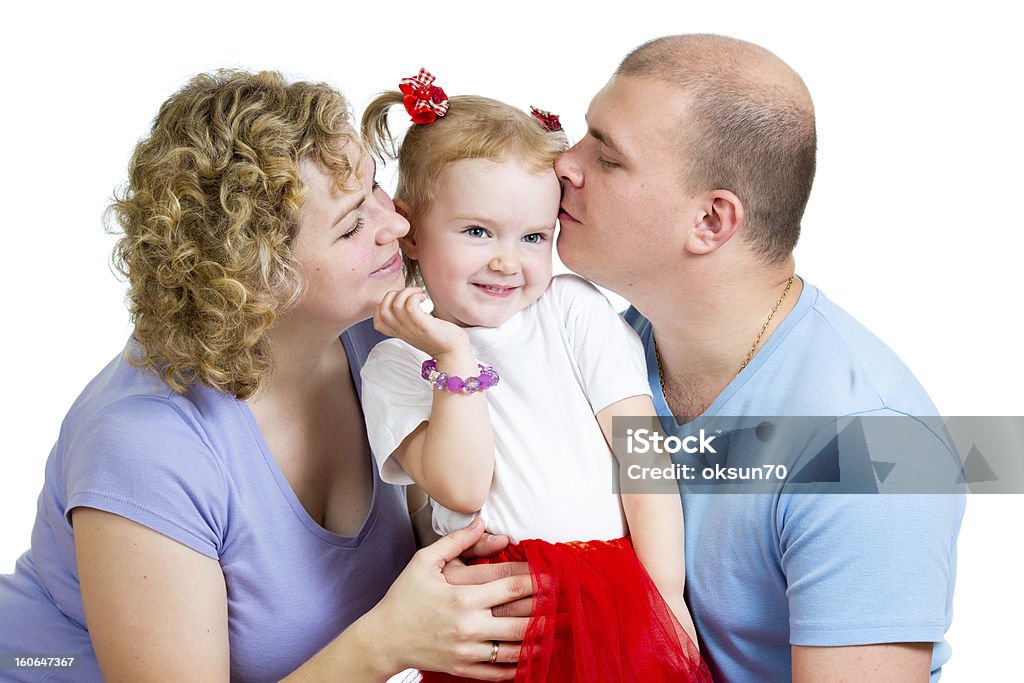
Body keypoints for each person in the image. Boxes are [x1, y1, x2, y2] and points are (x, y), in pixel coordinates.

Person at [0, 69, 536, 683]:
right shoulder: (146, 445)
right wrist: (387, 642)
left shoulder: (377, 332)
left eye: (375, 190)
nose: (398, 226)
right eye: (352, 225)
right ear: (258, 280)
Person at [554, 34, 966, 682]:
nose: (563, 166)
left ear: (711, 220)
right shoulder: (595, 353)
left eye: (606, 158)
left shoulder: (872, 445)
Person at [357, 73, 710, 682]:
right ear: (410, 230)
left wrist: (666, 597)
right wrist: (453, 357)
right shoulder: (394, 363)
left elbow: (641, 453)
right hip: (491, 610)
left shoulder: (570, 308)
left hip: (606, 588)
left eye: (532, 237)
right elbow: (464, 489)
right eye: (476, 231)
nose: (506, 260)